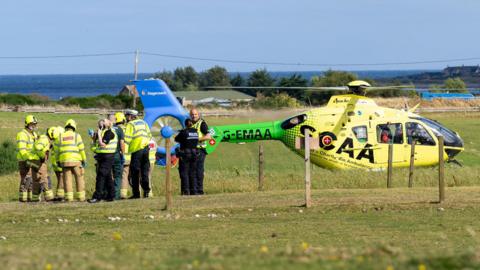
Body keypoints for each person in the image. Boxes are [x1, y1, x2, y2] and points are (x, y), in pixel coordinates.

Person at [55, 119, 87, 202]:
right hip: (76, 161)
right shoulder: (77, 136)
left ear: (66, 127)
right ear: (74, 127)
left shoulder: (60, 136)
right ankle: (81, 197)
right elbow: (81, 149)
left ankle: (69, 198)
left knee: (67, 179)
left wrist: (58, 160)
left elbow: (57, 151)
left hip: (65, 161)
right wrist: (84, 159)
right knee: (79, 178)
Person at [124, 109, 152, 199]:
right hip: (146, 149)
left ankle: (136, 194)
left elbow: (127, 139)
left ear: (130, 116)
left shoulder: (130, 124)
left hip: (137, 150)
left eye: (126, 116)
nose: (126, 118)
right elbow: (149, 135)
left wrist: (124, 152)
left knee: (135, 172)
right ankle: (146, 191)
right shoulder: (143, 123)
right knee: (144, 171)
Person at [88, 119, 118, 203]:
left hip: (108, 156)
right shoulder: (103, 132)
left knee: (101, 175)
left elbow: (103, 144)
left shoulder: (109, 132)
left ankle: (97, 196)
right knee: (108, 176)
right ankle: (111, 195)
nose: (101, 123)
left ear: (108, 124)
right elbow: (95, 143)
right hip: (102, 156)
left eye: (103, 121)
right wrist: (94, 136)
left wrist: (99, 134)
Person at [16, 115, 39, 202]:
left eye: (35, 124)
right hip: (24, 160)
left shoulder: (34, 134)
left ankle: (30, 197)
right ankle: (23, 197)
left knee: (32, 178)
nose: (34, 125)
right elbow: (22, 149)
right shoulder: (22, 134)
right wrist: (27, 160)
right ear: (27, 124)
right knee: (26, 178)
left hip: (32, 160)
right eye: (32, 124)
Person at [175, 119, 199, 195]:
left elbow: (176, 139)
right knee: (193, 173)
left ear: (185, 124)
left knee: (184, 173)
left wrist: (180, 132)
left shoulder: (184, 132)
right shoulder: (195, 132)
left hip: (185, 154)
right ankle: (194, 191)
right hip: (194, 154)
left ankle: (186, 191)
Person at [190, 108, 211, 195]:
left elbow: (208, 136)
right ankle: (194, 191)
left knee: (199, 171)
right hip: (192, 151)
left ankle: (200, 190)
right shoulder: (190, 124)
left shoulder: (202, 124)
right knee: (192, 171)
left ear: (198, 115)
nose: (194, 116)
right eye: (192, 114)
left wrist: (197, 139)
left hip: (200, 150)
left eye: (195, 114)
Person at [31, 129, 55, 202]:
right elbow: (38, 148)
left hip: (33, 161)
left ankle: (35, 198)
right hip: (39, 161)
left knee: (36, 179)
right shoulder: (45, 139)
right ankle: (48, 198)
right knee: (44, 179)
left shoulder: (42, 138)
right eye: (53, 139)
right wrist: (42, 156)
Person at [114, 112, 131, 199]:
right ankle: (123, 194)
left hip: (117, 155)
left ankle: (115, 193)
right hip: (128, 155)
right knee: (125, 175)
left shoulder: (114, 129)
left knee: (116, 175)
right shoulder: (128, 128)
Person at [109, 113, 125, 199]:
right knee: (117, 176)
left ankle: (107, 194)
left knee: (107, 175)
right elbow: (122, 143)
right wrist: (123, 154)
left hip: (106, 155)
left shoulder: (105, 128)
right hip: (116, 156)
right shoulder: (119, 129)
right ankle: (115, 195)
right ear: (115, 120)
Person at [48, 126, 65, 201]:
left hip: (55, 163)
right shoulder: (59, 141)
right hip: (59, 163)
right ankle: (60, 196)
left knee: (60, 179)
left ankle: (59, 195)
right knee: (62, 178)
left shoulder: (55, 141)